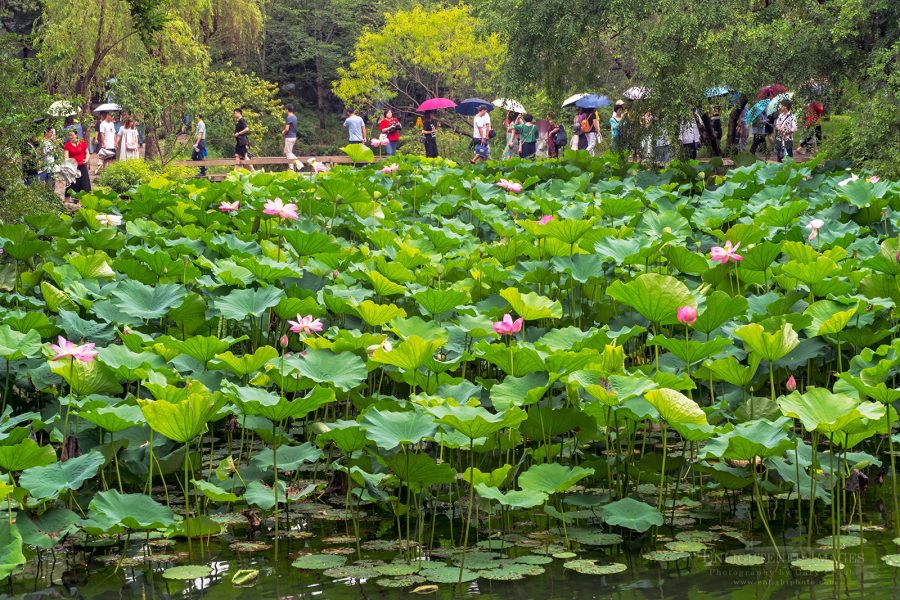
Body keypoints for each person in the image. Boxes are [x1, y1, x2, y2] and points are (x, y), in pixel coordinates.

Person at [63, 129, 91, 196]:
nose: (70, 137)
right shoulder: (67, 145)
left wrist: (86, 159)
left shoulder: (82, 143)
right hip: (73, 168)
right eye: (69, 135)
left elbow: (87, 153)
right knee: (71, 185)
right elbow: (66, 157)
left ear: (76, 135)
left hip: (82, 166)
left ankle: (80, 201)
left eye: (72, 135)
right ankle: (67, 201)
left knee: (83, 184)